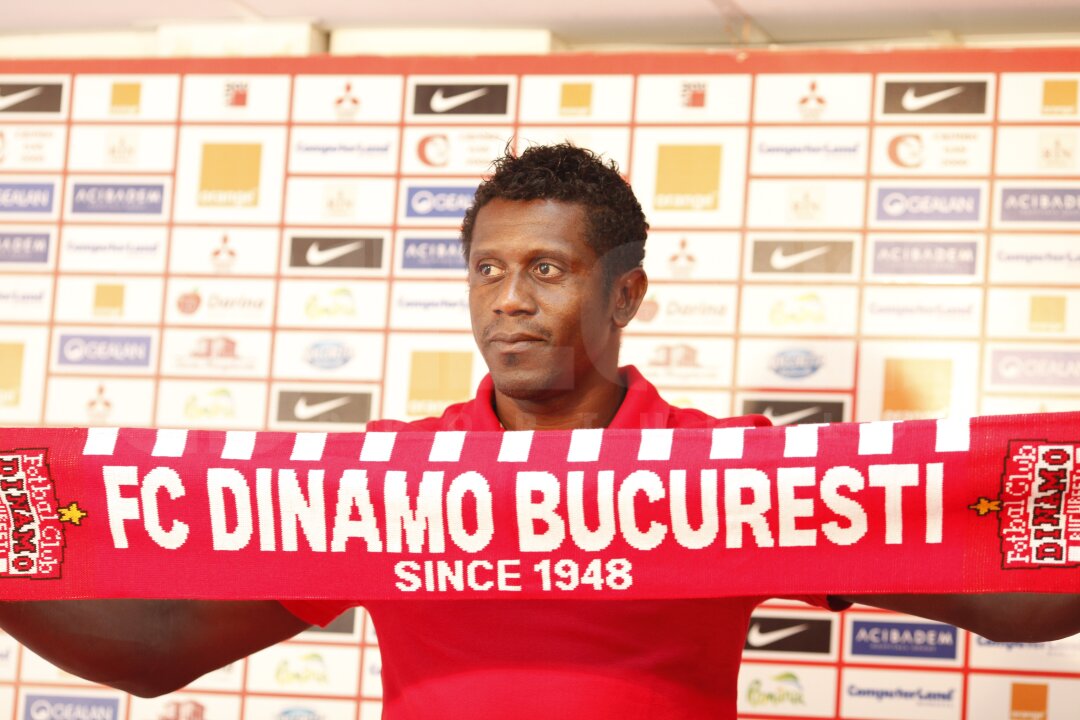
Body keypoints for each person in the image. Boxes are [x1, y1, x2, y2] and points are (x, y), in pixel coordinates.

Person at [1, 144, 1078, 718]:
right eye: (488, 269)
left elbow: (1015, 599)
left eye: (547, 269)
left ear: (626, 294)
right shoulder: (390, 479)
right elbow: (161, 651)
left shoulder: (729, 470)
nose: (508, 299)